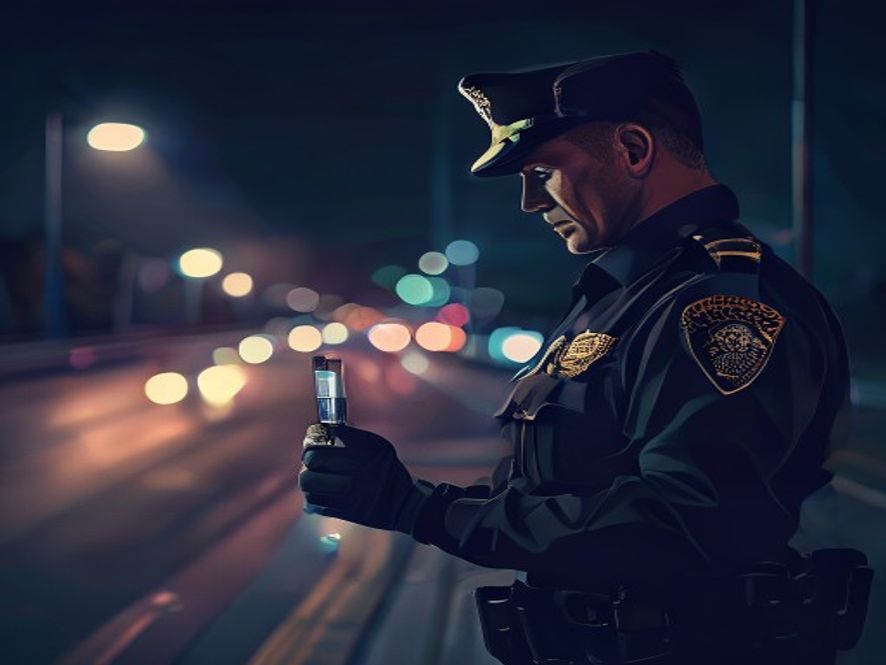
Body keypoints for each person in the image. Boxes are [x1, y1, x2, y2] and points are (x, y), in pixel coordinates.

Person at [299, 51, 871, 664]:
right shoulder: (625, 296)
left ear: (632, 149)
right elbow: (565, 488)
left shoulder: (718, 304)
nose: (528, 202)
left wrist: (416, 509)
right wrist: (408, 495)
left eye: (542, 172)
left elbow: (688, 523)